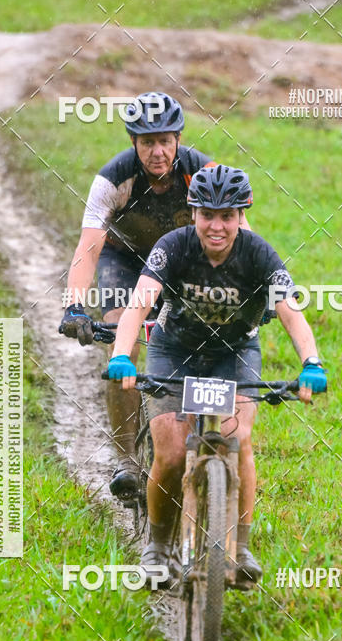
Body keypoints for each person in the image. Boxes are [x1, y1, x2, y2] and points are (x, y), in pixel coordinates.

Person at [105, 164, 327, 587]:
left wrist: (311, 363)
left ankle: (239, 548)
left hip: (234, 353)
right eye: (208, 215)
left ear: (242, 215)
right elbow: (139, 304)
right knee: (171, 453)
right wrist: (121, 356)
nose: (217, 226)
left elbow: (290, 311)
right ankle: (157, 547)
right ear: (193, 213)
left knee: (237, 439)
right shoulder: (173, 247)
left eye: (228, 216)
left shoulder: (258, 253)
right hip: (174, 351)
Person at [59, 92, 249, 498]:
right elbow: (89, 247)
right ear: (133, 142)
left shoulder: (203, 172)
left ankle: (193, 432)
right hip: (125, 263)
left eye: (165, 140)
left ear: (178, 139)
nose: (157, 151)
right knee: (120, 340)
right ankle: (127, 458)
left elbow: (242, 238)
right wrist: (74, 305)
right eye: (147, 142)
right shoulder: (113, 179)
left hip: (182, 263)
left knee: (202, 333)